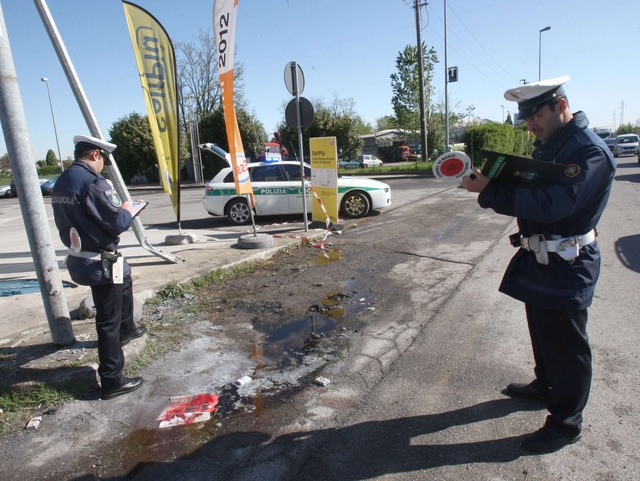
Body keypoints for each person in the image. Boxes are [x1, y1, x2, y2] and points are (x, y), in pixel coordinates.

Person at [461, 76, 616, 453]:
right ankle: (546, 384)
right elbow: (534, 187)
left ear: (561, 105)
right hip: (543, 258)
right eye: (526, 119)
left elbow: (553, 205)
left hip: (568, 262)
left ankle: (566, 424)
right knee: (543, 332)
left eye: (536, 116)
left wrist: (490, 191)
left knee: (566, 345)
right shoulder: (554, 144)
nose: (530, 126)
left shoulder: (587, 152)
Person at [52, 135, 146, 400]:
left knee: (126, 278)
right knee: (107, 321)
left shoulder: (64, 180)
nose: (103, 163)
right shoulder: (94, 183)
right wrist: (127, 209)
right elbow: (117, 222)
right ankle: (112, 380)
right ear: (95, 154)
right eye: (103, 157)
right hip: (100, 261)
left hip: (81, 257)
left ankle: (127, 329)